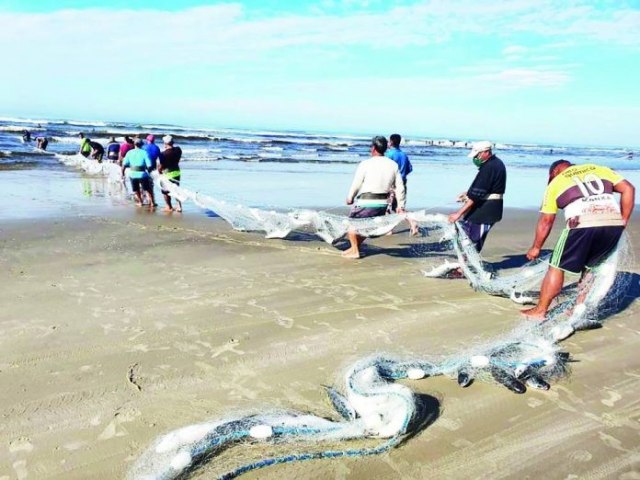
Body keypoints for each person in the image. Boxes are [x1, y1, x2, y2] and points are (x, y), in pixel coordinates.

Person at [521, 160, 635, 319]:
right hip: (612, 224)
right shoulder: (599, 168)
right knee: (592, 267)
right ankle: (577, 310)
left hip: (581, 224)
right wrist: (623, 220)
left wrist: (536, 247)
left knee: (556, 266)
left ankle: (540, 310)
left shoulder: (556, 182)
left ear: (554, 172)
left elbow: (546, 221)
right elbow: (628, 188)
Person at [342, 135, 405, 259]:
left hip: (366, 202)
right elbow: (400, 187)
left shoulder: (365, 164)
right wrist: (401, 206)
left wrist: (350, 197)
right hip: (382, 205)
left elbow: (357, 183)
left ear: (374, 148)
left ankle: (355, 250)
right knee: (366, 227)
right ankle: (354, 248)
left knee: (350, 225)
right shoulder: (393, 165)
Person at [448, 140, 506, 253]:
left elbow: (476, 196)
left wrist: (458, 214)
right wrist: (467, 193)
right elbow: (484, 188)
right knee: (468, 235)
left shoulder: (489, 167)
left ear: (486, 152)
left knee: (474, 239)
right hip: (485, 208)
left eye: (477, 155)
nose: (476, 158)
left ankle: (466, 266)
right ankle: (463, 265)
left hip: (486, 210)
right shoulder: (495, 164)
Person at [386, 133, 418, 235]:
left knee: (388, 206)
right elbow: (410, 169)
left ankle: (389, 229)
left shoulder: (389, 154)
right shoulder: (403, 155)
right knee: (399, 206)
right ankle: (411, 222)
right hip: (402, 182)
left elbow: (385, 170)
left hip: (392, 183)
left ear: (391, 142)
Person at [121, 138, 156, 210]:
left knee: (136, 189)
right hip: (143, 174)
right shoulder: (144, 152)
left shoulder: (129, 152)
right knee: (148, 189)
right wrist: (150, 173)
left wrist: (122, 174)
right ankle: (152, 202)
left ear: (134, 144)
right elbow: (149, 165)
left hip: (132, 174)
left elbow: (123, 165)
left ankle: (140, 202)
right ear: (142, 145)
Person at [158, 135, 183, 212]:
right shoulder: (178, 150)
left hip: (167, 173)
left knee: (165, 191)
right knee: (176, 190)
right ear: (173, 142)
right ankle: (179, 206)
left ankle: (169, 206)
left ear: (165, 143)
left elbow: (161, 166)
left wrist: (159, 172)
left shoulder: (163, 154)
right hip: (176, 171)